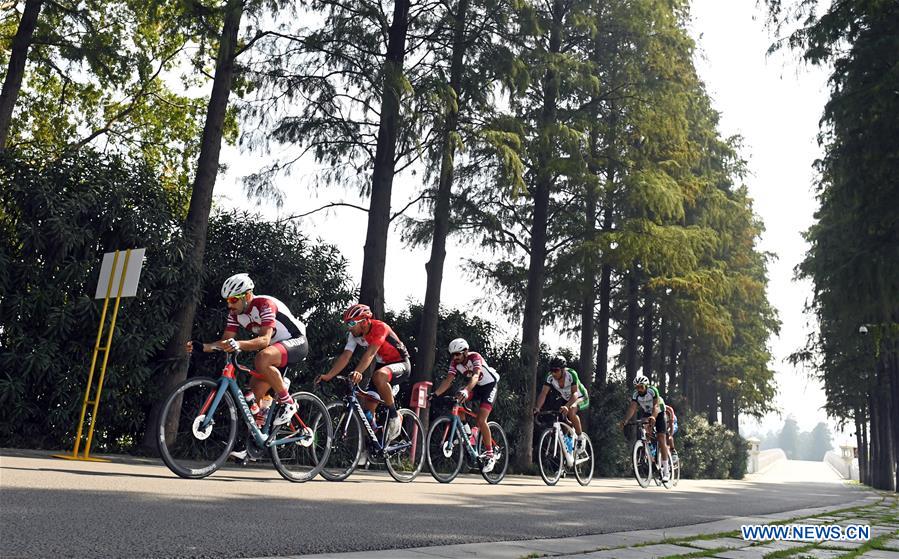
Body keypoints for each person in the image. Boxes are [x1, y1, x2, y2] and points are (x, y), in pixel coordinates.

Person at [187, 273, 309, 460]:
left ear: (247, 295)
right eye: (227, 300)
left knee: (262, 358)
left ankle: (289, 404)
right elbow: (226, 341)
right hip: (275, 349)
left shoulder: (264, 305)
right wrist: (203, 346)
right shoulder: (235, 314)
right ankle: (255, 443)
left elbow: (264, 340)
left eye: (234, 300)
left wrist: (239, 344)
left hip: (296, 342)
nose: (230, 305)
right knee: (253, 395)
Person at [317, 303, 410, 442]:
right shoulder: (353, 335)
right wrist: (329, 375)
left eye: (352, 323)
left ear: (365, 321)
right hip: (382, 366)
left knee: (379, 376)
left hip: (400, 363)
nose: (349, 327)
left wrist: (358, 372)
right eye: (347, 323)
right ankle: (375, 442)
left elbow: (371, 353)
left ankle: (394, 416)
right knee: (368, 408)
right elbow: (346, 356)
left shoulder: (380, 327)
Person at [432, 338, 501, 473]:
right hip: (476, 387)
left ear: (465, 352)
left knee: (481, 420)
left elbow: (475, 376)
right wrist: (435, 394)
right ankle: (468, 432)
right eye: (452, 355)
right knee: (456, 400)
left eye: (457, 354)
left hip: (489, 385)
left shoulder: (475, 357)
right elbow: (448, 380)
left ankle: (490, 454)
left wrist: (466, 390)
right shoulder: (454, 363)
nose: (455, 357)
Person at [620, 375, 671, 481]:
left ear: (646, 386)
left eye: (641, 387)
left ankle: (666, 471)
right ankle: (648, 452)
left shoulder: (652, 391)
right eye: (637, 387)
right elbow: (632, 408)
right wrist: (625, 420)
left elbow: (656, 406)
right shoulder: (636, 395)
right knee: (644, 429)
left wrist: (653, 416)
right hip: (648, 413)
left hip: (659, 412)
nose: (639, 389)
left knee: (661, 438)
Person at [533, 356, 589, 453]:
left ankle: (580, 437)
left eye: (556, 370)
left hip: (580, 397)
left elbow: (575, 394)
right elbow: (543, 393)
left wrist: (567, 406)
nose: (553, 373)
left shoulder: (571, 374)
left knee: (571, 411)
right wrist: (537, 408)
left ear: (563, 370)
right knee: (561, 418)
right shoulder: (550, 377)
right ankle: (570, 440)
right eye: (551, 370)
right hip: (566, 398)